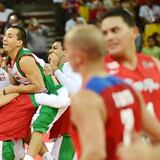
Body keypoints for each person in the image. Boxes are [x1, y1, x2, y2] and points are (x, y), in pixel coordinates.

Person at [64, 24, 160, 160]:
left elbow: (94, 154)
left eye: (67, 50)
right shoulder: (129, 87)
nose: (66, 55)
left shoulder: (86, 97)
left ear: (78, 56)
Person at [2, 26, 69, 160]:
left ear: (19, 42)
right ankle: (47, 157)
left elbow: (39, 86)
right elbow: (18, 85)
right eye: (4, 35)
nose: (4, 38)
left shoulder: (24, 59)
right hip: (39, 96)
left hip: (53, 94)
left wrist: (13, 90)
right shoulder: (9, 62)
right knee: (23, 127)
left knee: (38, 126)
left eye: (10, 36)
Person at [101, 8, 160, 121]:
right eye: (105, 33)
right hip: (127, 137)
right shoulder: (100, 70)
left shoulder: (153, 63)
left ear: (134, 32)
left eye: (115, 30)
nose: (109, 37)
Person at [47, 36, 82, 159]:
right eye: (50, 48)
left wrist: (55, 70)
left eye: (55, 48)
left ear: (66, 52)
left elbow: (74, 90)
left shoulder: (70, 67)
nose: (51, 51)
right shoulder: (56, 70)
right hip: (62, 121)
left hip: (69, 122)